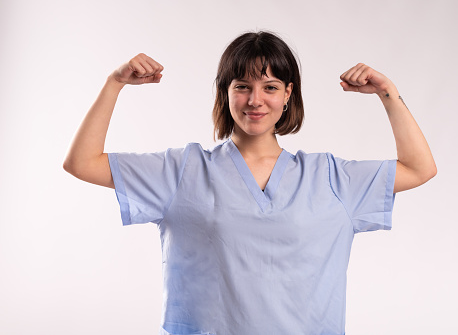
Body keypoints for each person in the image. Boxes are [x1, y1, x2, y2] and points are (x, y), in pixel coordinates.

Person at [64, 31, 436, 335]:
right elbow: (81, 163)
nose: (255, 101)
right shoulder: (183, 171)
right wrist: (114, 84)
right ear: (226, 92)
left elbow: (420, 169)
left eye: (270, 87)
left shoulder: (330, 177)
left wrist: (388, 93)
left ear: (288, 94)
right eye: (242, 86)